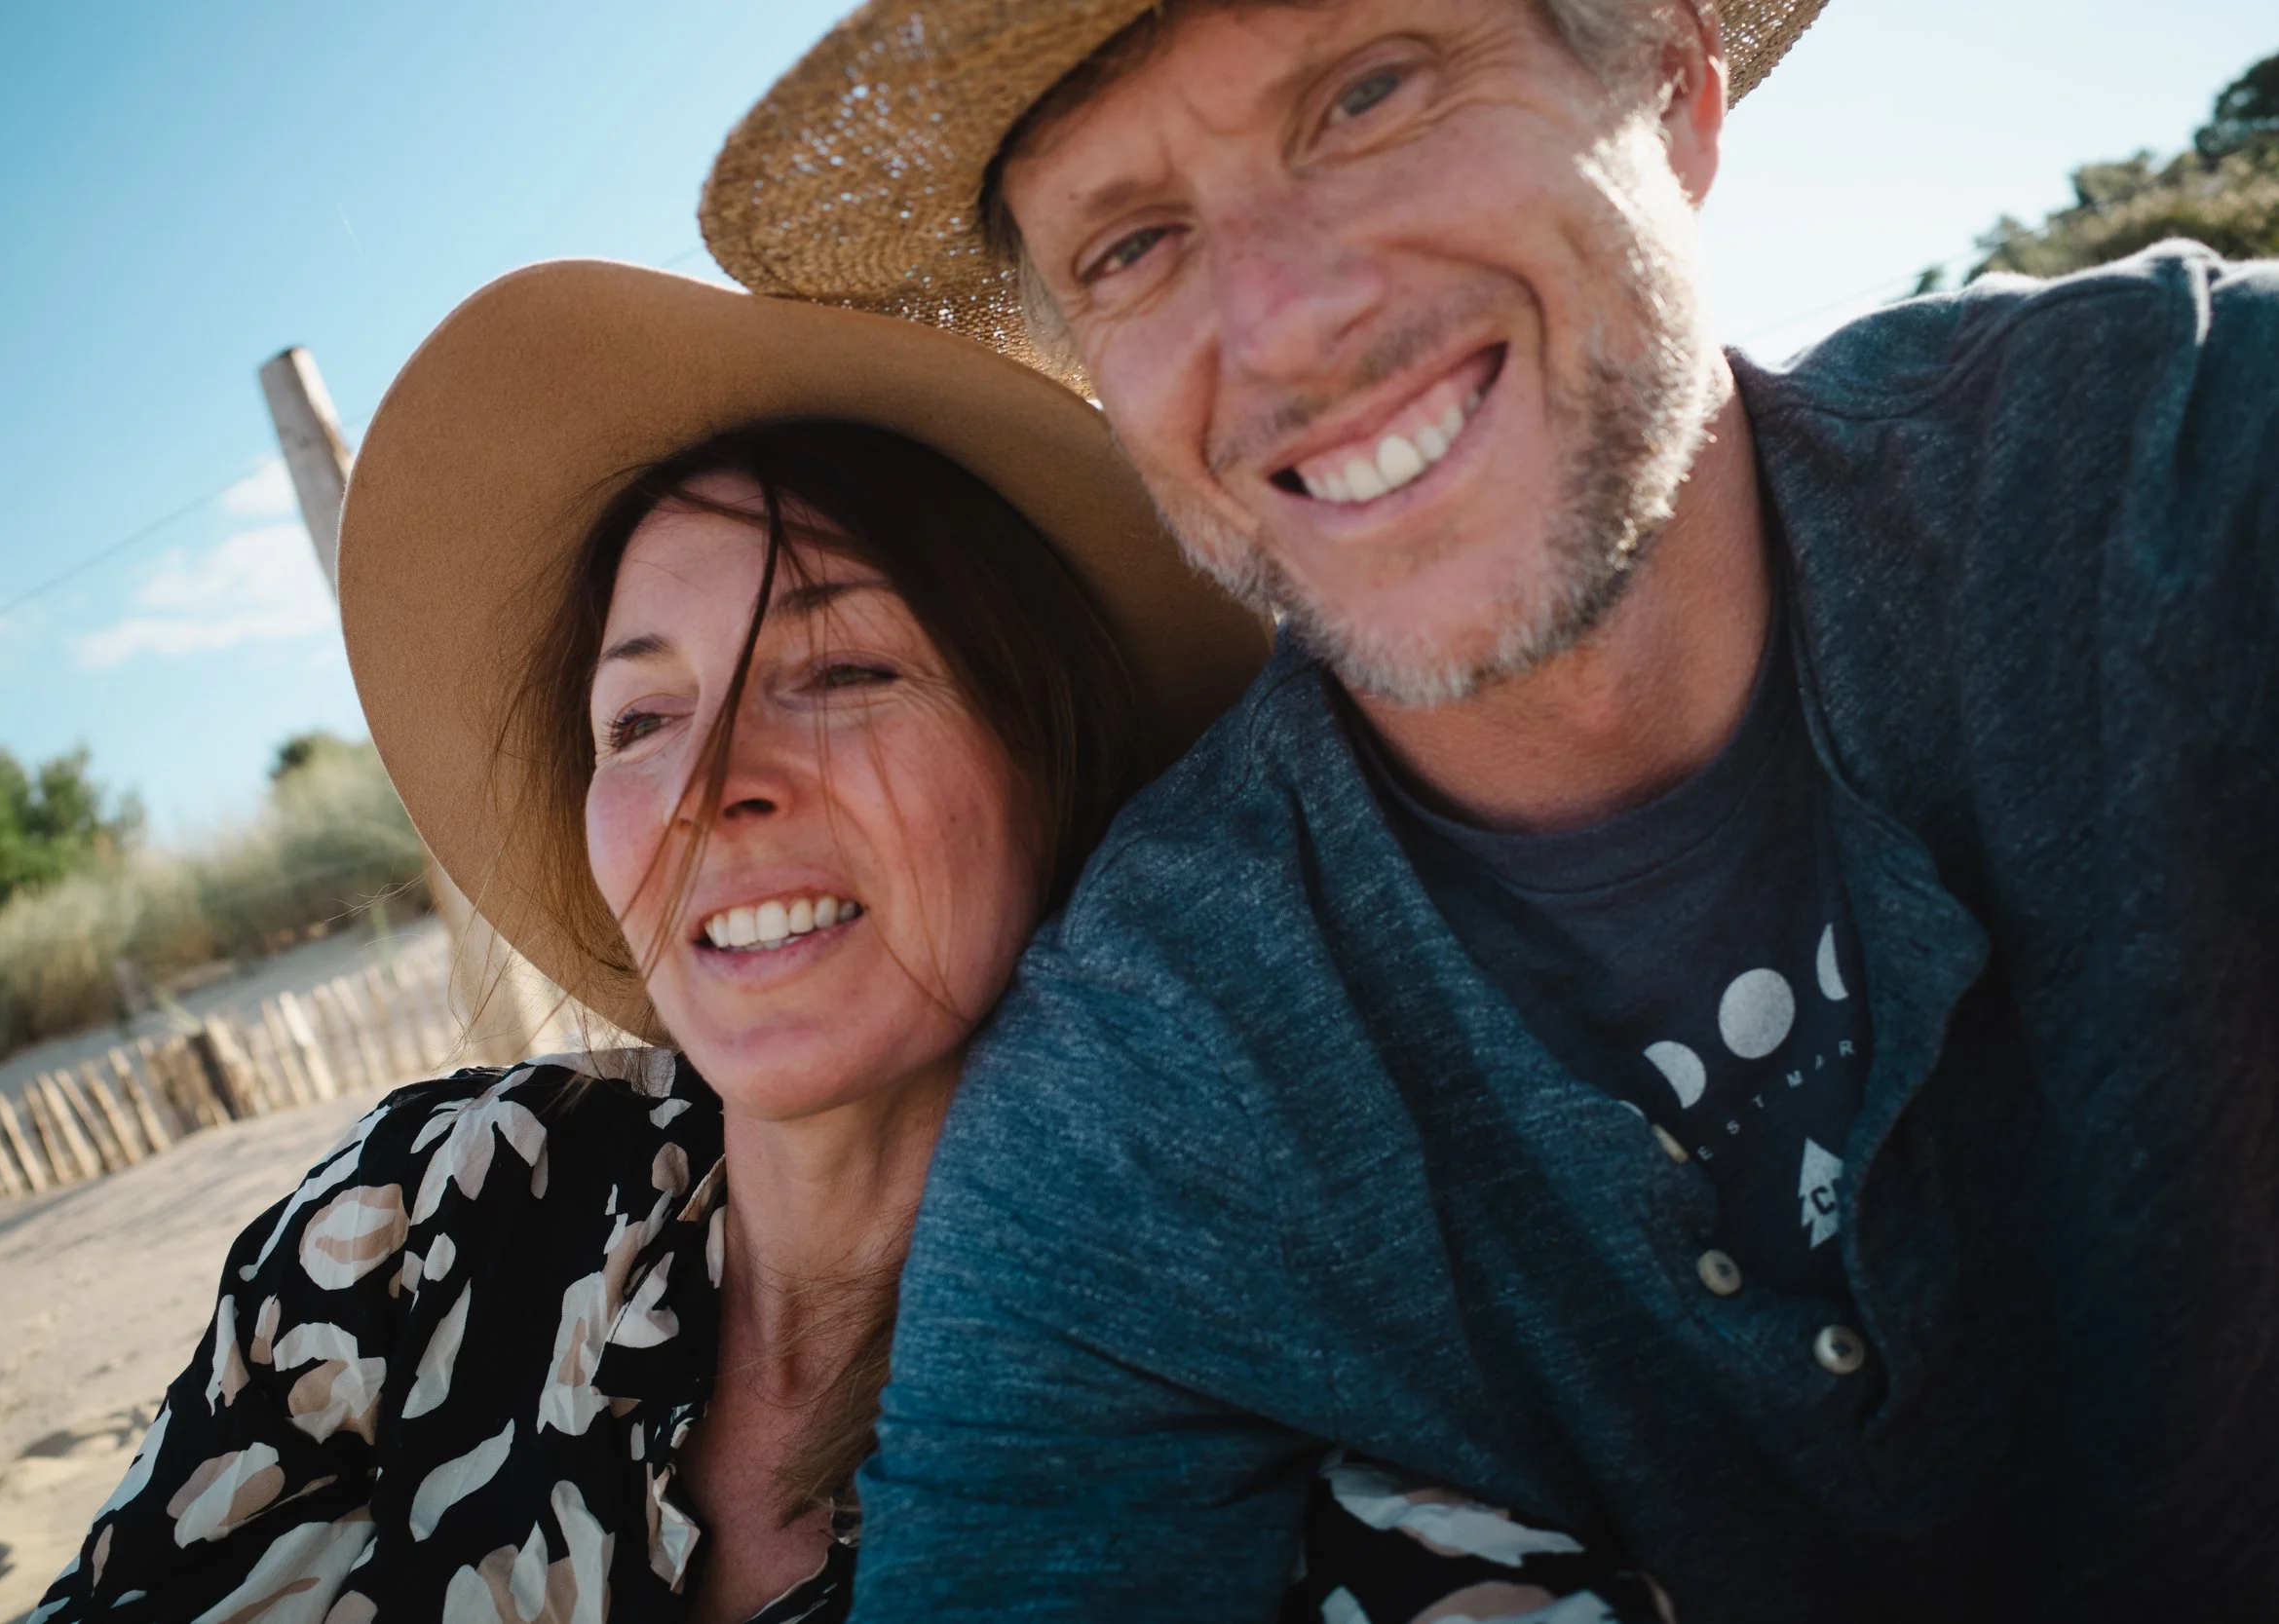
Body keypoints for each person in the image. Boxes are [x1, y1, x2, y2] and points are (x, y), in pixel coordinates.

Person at [697, 0, 2279, 1618]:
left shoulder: (2181, 454)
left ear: (1670, 88)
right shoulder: (1141, 1092)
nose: (1287, 326)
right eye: (1132, 246)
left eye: (1370, 95)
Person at [25, 265, 1656, 1624]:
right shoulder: (432, 1216)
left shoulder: (1258, 1399)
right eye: (640, 717)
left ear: (1056, 757)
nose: (709, 785)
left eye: (843, 671)